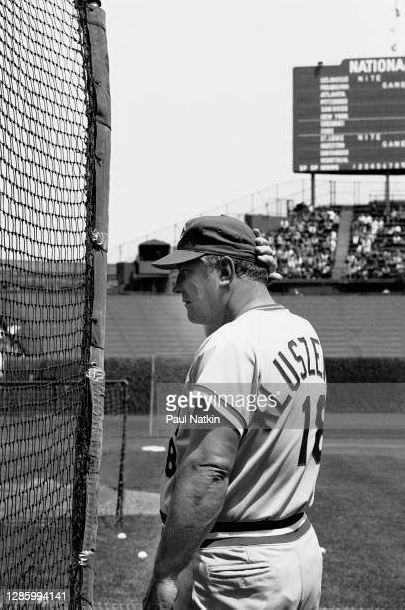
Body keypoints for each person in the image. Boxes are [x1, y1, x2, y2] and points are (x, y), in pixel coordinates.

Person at [144, 215, 326, 610]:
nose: (176, 286)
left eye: (186, 271)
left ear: (224, 270)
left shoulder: (231, 345)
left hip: (239, 567)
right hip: (295, 548)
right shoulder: (302, 330)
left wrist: (167, 573)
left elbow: (209, 470)